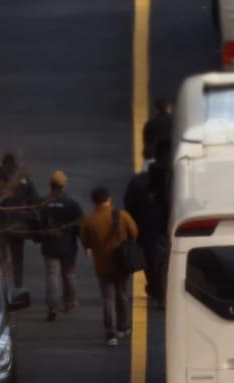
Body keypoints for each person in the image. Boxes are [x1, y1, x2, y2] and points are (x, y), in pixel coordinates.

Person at [78, 187, 138, 346]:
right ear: (109, 199)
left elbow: (84, 241)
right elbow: (134, 232)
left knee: (108, 299)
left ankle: (110, 334)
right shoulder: (122, 215)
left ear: (93, 202)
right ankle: (123, 327)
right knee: (122, 295)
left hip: (102, 265)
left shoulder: (90, 221)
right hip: (122, 263)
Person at [123, 139, 171, 309]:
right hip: (166, 228)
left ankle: (156, 289)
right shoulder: (174, 179)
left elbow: (129, 204)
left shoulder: (138, 181)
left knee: (151, 261)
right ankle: (161, 293)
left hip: (144, 228)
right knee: (163, 262)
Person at [0, 153, 40, 290]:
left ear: (3, 163)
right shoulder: (23, 178)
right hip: (19, 226)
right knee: (18, 259)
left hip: (2, 225)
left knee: (1, 259)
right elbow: (34, 200)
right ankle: (18, 287)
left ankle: (2, 289)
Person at [38, 170, 84, 321]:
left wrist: (39, 237)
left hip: (49, 246)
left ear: (50, 185)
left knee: (52, 275)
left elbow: (38, 224)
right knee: (68, 275)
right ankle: (70, 303)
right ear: (64, 185)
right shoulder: (72, 204)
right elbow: (81, 225)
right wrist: (85, 244)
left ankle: (52, 306)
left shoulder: (43, 203)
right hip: (68, 247)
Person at [142, 97, 173, 163]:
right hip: (169, 159)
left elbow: (147, 141)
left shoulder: (150, 123)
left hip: (152, 158)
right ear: (168, 107)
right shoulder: (174, 122)